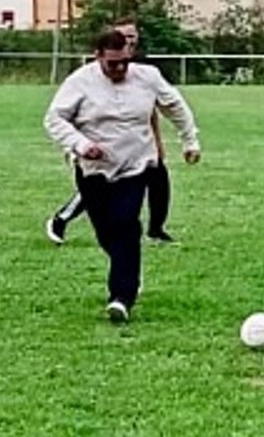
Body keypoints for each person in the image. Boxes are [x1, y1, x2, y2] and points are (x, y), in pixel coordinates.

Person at [43, 29, 201, 322]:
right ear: (98, 56)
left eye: (123, 63)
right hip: (93, 169)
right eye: (111, 63)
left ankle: (122, 296)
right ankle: (127, 269)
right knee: (106, 233)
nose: (118, 69)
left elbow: (176, 107)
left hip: (136, 163)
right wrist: (81, 145)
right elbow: (54, 119)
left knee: (126, 224)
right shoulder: (79, 82)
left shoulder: (148, 77)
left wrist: (189, 140)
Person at [46, 17, 177, 244]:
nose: (129, 40)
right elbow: (62, 117)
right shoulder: (91, 75)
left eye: (132, 36)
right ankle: (62, 218)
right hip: (101, 150)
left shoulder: (140, 66)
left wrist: (157, 143)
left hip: (138, 141)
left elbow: (151, 108)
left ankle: (155, 229)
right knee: (99, 190)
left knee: (157, 179)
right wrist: (81, 145)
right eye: (125, 36)